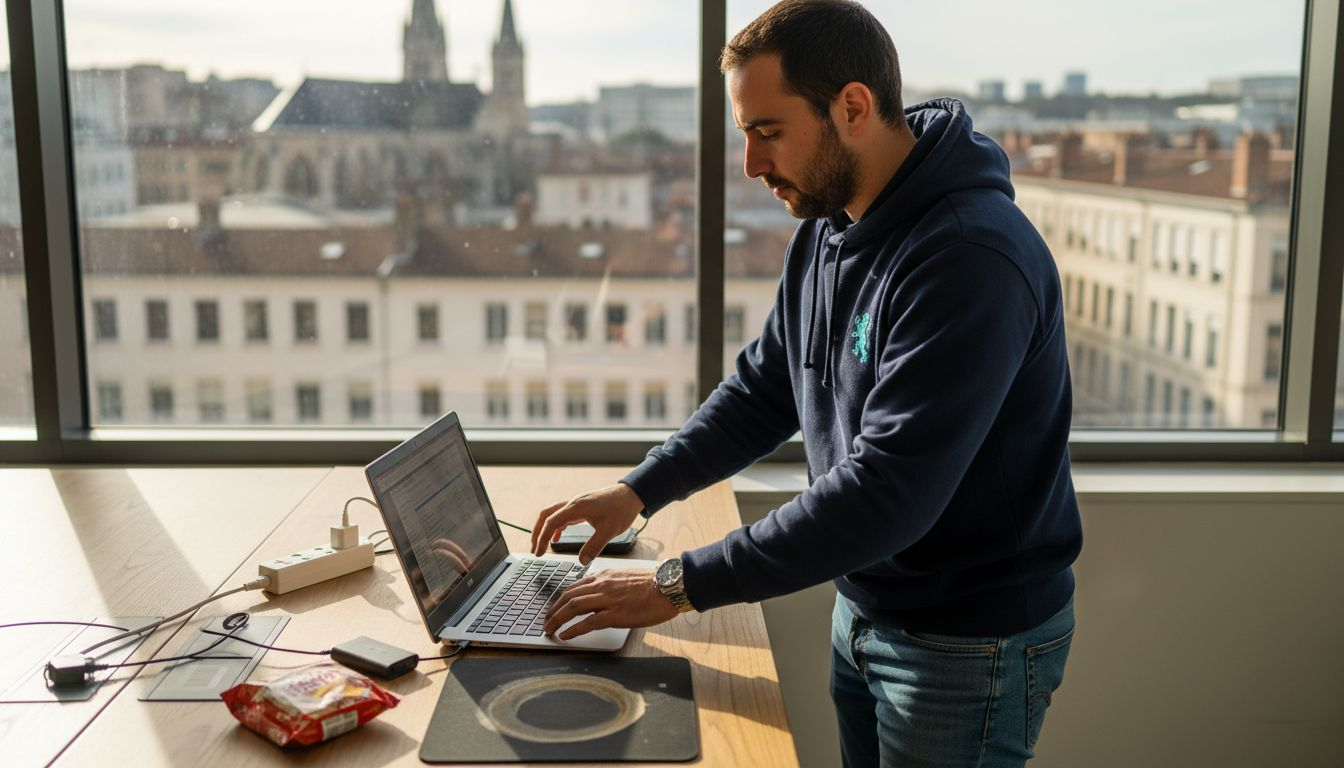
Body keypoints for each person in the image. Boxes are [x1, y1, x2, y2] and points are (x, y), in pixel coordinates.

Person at [533, 1, 1083, 764]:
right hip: (866, 608)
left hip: (967, 643)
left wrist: (674, 585)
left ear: (852, 107)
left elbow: (887, 491)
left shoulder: (969, 258)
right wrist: (639, 490)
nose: (751, 165)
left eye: (767, 132)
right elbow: (766, 388)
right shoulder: (830, 225)